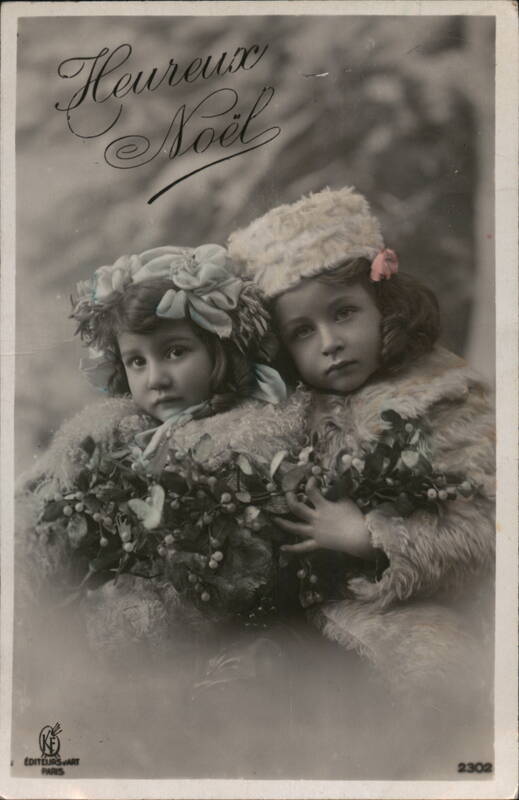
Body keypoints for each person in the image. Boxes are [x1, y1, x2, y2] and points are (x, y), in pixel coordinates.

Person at [227, 186, 495, 712]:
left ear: (385, 308)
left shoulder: (446, 398)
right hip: (306, 615)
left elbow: (490, 530)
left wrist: (370, 535)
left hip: (424, 609)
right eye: (303, 331)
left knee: (434, 682)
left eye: (344, 313)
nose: (329, 341)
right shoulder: (288, 414)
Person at [16, 242, 307, 654]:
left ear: (219, 349)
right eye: (137, 361)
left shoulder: (255, 438)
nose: (156, 378)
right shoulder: (107, 430)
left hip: (205, 638)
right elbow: (35, 511)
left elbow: (229, 575)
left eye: (175, 352)